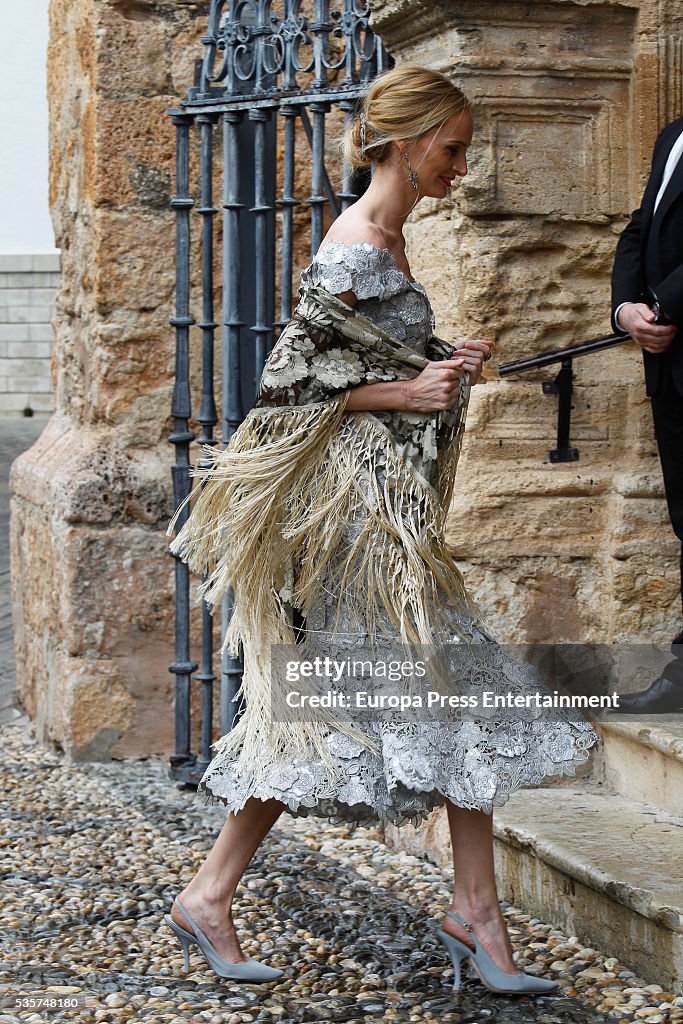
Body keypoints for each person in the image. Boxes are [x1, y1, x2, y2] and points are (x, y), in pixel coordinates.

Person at [165, 64, 600, 995]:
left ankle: (473, 916)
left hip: (385, 522)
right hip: (356, 532)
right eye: (452, 148)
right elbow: (282, 391)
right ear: (405, 143)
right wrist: (405, 390)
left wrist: (442, 363)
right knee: (346, 706)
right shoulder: (356, 247)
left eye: (466, 149)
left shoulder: (389, 242)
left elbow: (357, 367)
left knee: (444, 699)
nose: (461, 165)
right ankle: (214, 893)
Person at [611, 115, 683, 714]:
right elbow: (641, 229)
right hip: (669, 364)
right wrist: (626, 308)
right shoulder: (672, 133)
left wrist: (665, 303)